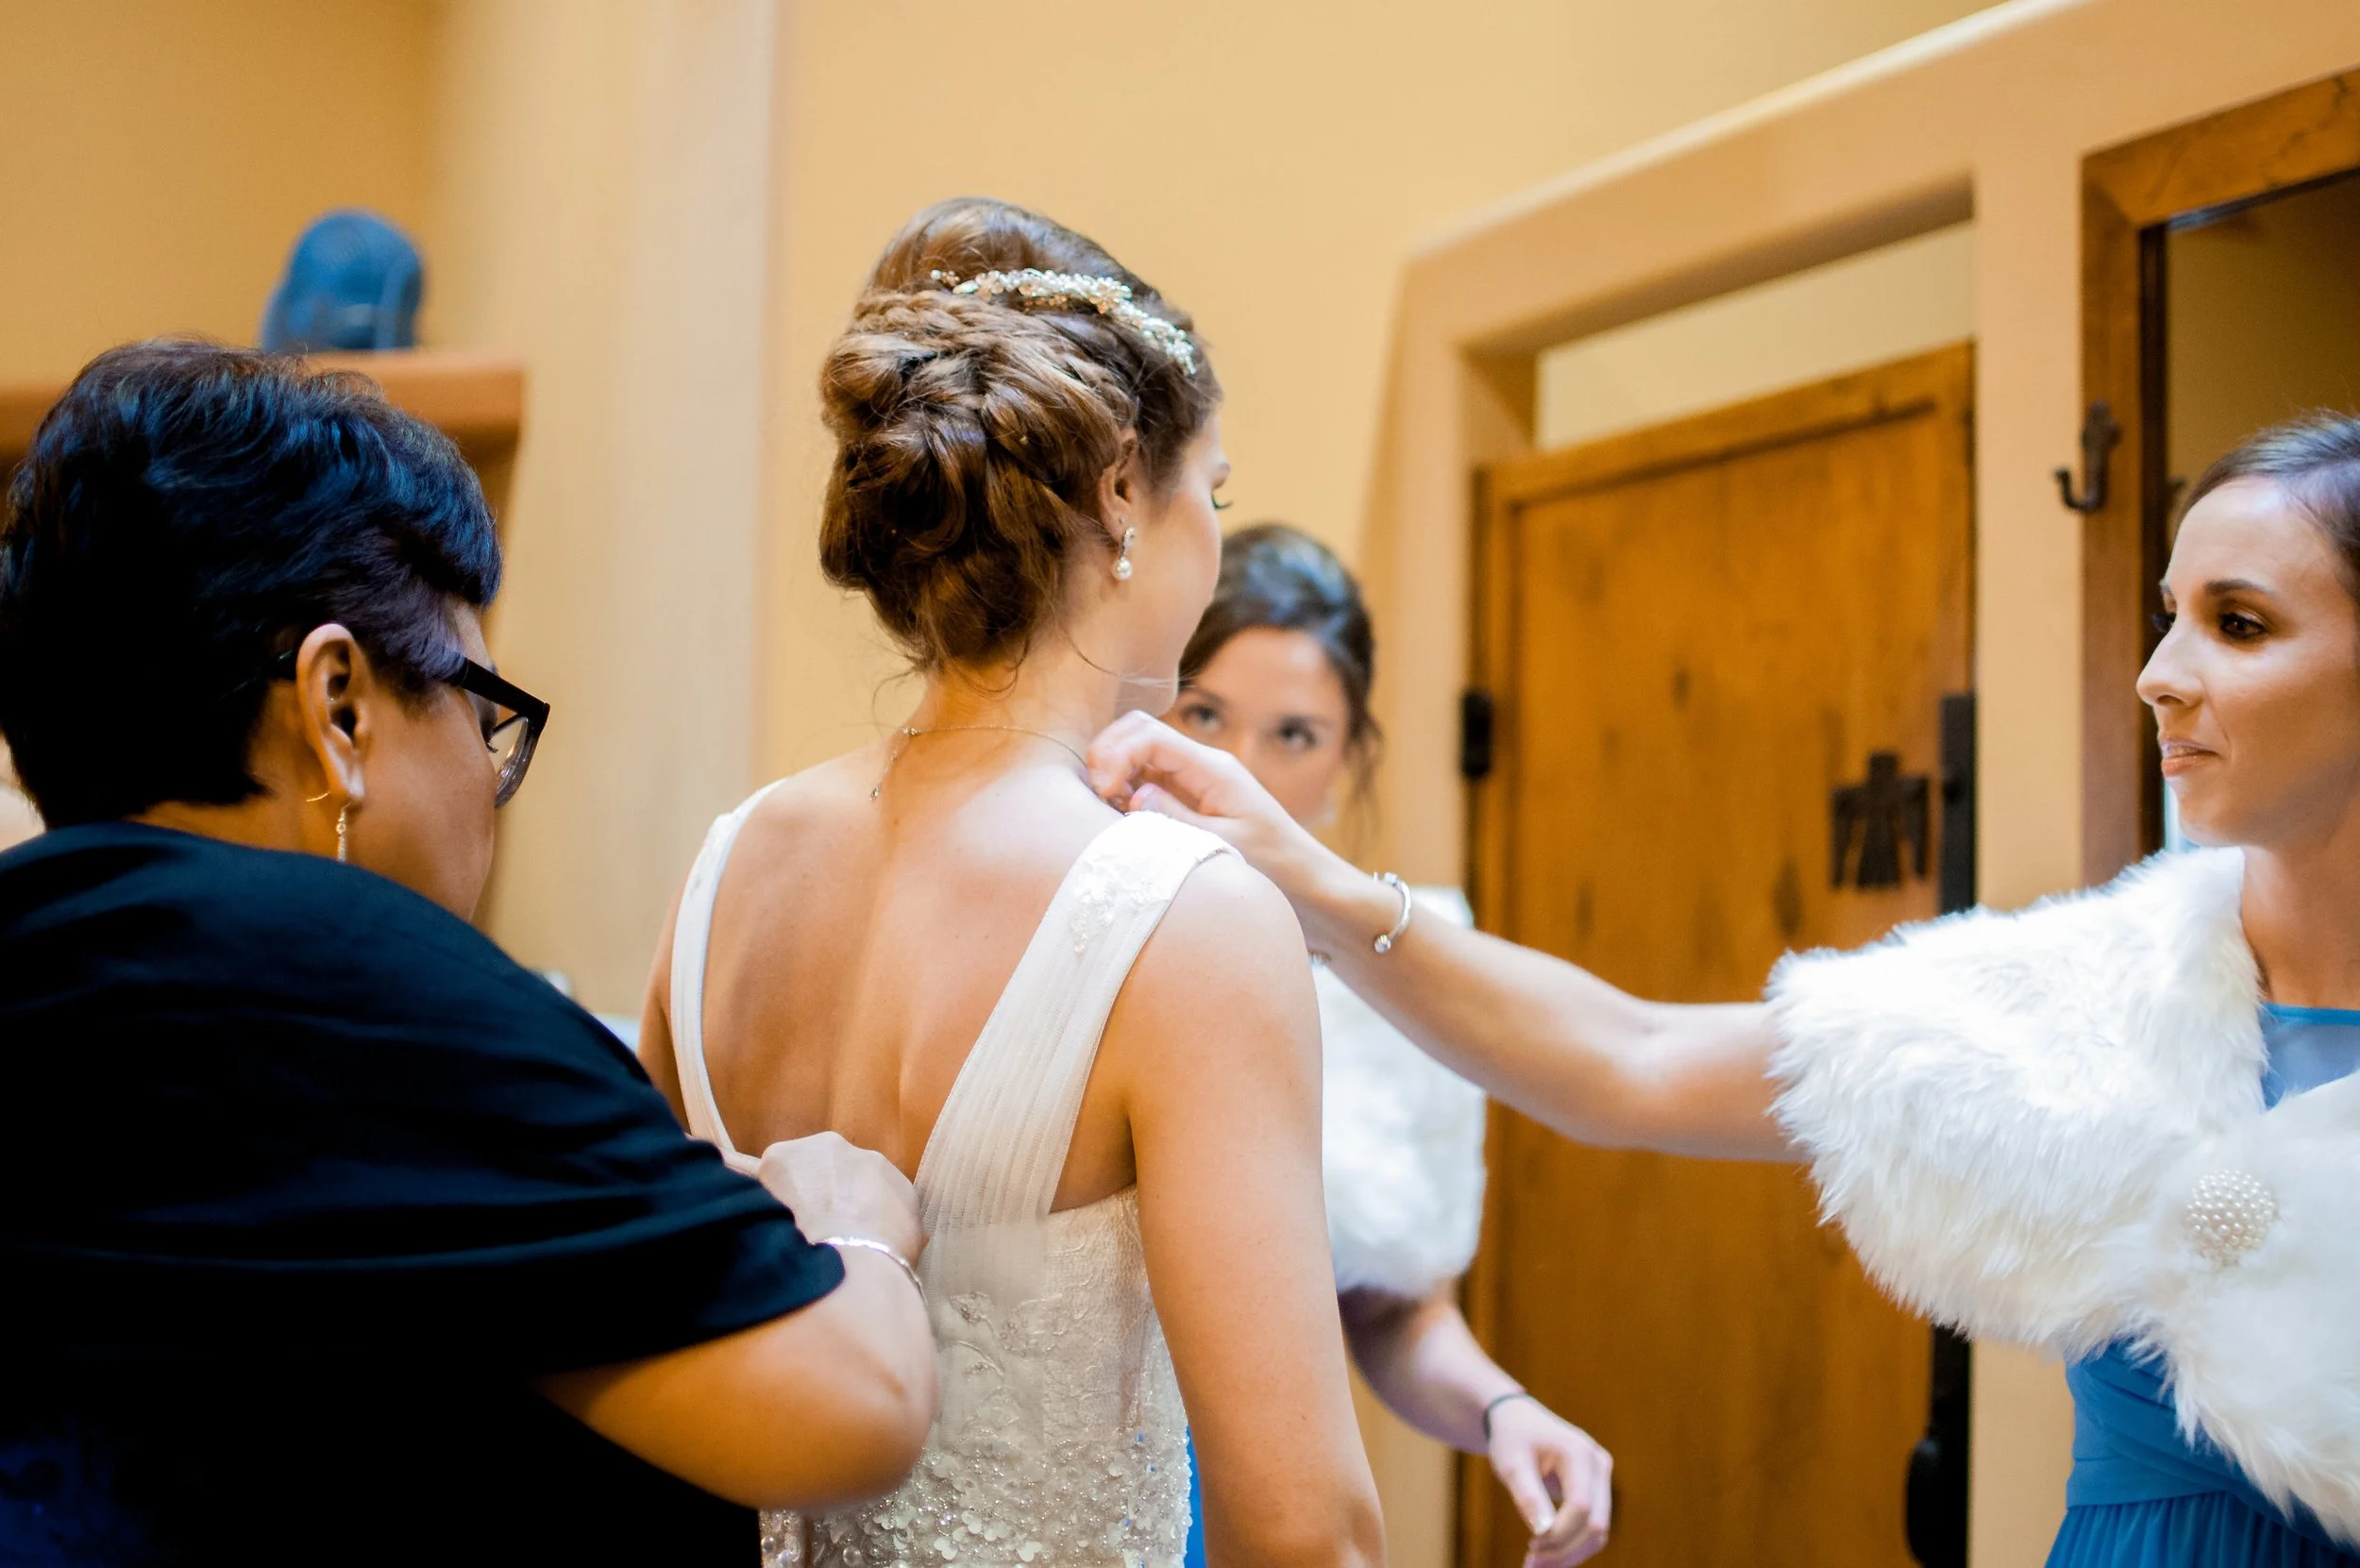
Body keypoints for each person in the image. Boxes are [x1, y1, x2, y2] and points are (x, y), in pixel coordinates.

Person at [1089, 414, 2360, 1566]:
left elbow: (1383, 1303)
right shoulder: (2090, 1000)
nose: (2158, 671)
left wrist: (1499, 1407)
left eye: (2237, 623)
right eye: (2168, 613)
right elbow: (1629, 1055)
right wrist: (1323, 888)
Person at [0, 341, 937, 1566]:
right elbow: (849, 1410)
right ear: (338, 706)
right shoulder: (353, 983)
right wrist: (853, 1222)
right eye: (484, 713)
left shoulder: (41, 950)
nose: (494, 789)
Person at [638, 198, 1384, 1568]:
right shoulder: (1185, 919)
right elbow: (1305, 1533)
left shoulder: (727, 866)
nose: (1212, 544)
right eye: (1206, 495)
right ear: (1117, 488)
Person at [1168, 524, 1610, 1568]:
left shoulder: (1397, 983)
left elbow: (1392, 1310)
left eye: (1294, 733)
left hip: (1262, 1489)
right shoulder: (1064, 913)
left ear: (1350, 752)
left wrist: (1502, 1407)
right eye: (1203, 714)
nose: (1240, 768)